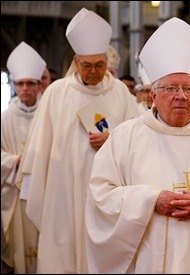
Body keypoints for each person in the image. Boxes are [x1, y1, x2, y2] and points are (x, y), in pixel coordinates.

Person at [85, 17, 190, 274]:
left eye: (188, 88)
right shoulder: (125, 137)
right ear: (153, 95)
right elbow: (101, 194)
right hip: (149, 259)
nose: (180, 95)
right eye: (170, 88)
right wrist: (152, 200)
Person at [18, 8, 140, 273]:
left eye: (99, 65)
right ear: (76, 61)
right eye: (87, 65)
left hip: (107, 191)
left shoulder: (120, 92)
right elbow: (40, 146)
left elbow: (138, 139)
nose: (94, 71)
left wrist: (112, 139)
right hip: (63, 189)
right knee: (63, 251)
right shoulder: (56, 93)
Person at [1, 41, 46, 274]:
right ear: (14, 86)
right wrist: (14, 161)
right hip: (15, 193)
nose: (25, 88)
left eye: (30, 83)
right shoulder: (4, 118)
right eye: (20, 83)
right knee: (19, 246)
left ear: (39, 86)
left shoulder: (49, 116)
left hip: (44, 192)